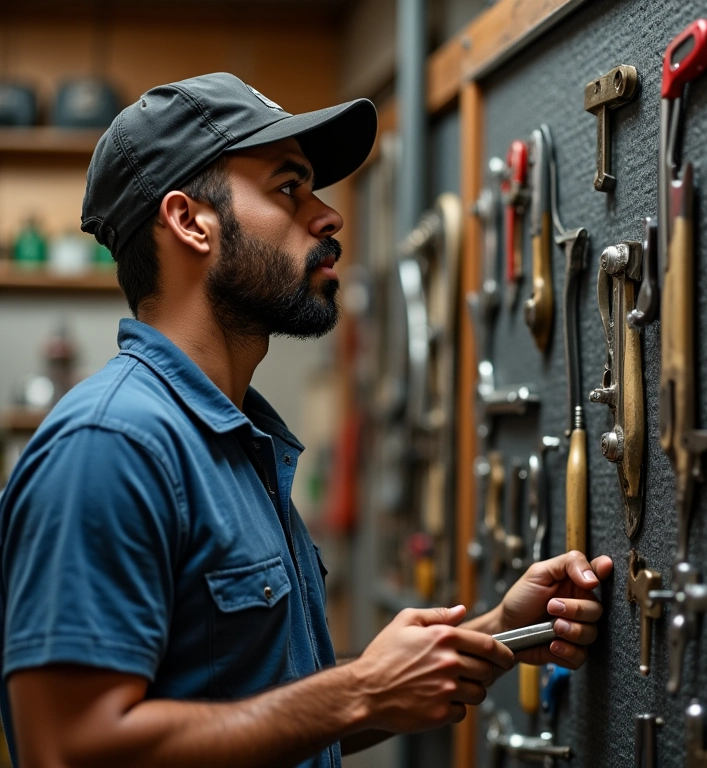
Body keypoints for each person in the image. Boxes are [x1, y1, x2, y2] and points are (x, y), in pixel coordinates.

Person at [0, 72, 613, 768]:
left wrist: (498, 635)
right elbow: (69, 750)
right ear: (189, 220)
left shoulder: (235, 443)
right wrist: (360, 691)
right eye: (288, 187)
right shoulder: (111, 446)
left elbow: (262, 714)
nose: (328, 215)